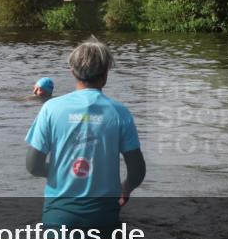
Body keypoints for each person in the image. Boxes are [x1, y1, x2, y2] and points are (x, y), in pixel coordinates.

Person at [25, 37, 145, 229]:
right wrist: (126, 188)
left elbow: (33, 166)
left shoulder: (51, 108)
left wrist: (61, 170)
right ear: (106, 73)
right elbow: (137, 171)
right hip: (103, 215)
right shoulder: (120, 112)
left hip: (58, 214)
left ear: (72, 71)